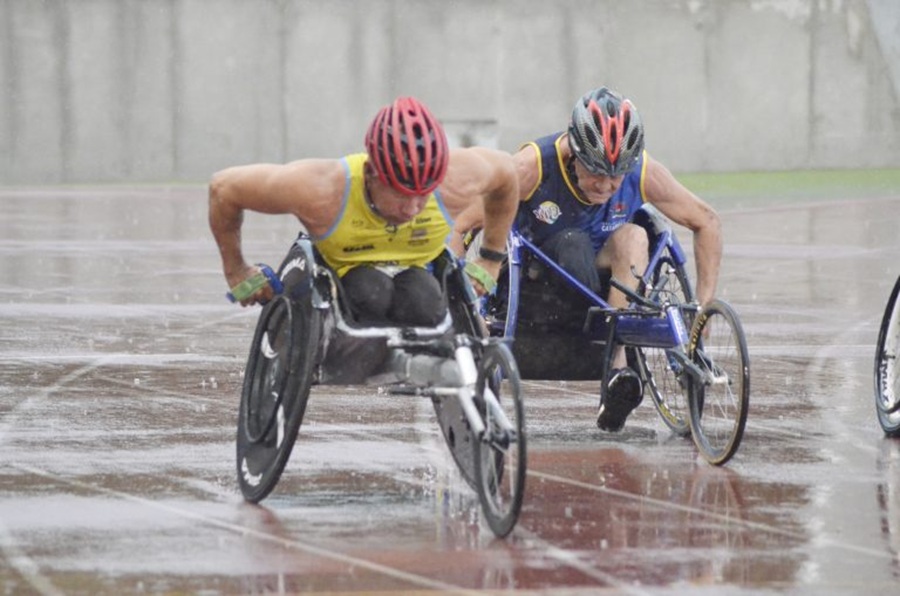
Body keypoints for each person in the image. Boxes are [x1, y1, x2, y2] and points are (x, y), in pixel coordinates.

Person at [457, 87, 722, 432]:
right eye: (596, 171)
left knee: (636, 235)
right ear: (573, 151)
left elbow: (707, 222)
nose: (606, 184)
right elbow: (464, 223)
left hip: (607, 287)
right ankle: (612, 350)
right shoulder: (532, 166)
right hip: (537, 281)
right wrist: (463, 295)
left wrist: (702, 314)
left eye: (617, 174)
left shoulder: (642, 172)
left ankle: (617, 371)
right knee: (573, 243)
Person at [208, 96, 519, 379]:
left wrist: (491, 258)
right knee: (372, 289)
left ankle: (399, 353)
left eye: (422, 196)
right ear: (371, 173)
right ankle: (366, 355)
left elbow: (507, 173)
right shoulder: (322, 190)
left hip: (417, 275)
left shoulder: (456, 180)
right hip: (346, 281)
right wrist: (236, 270)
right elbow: (224, 188)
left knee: (423, 298)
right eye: (400, 194)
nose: (411, 208)